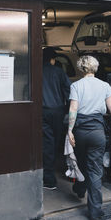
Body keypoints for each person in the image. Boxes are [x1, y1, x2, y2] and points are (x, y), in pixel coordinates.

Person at [67, 55, 111, 220]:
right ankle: (95, 211)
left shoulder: (76, 85)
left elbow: (73, 109)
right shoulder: (104, 85)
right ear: (95, 68)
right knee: (95, 171)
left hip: (80, 131)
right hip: (97, 132)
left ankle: (79, 189)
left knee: (81, 162)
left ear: (81, 69)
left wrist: (70, 130)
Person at [42, 47, 71, 190]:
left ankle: (48, 179)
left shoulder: (36, 72)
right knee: (55, 143)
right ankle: (50, 177)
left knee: (47, 144)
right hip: (58, 112)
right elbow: (69, 92)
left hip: (42, 112)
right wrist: (67, 110)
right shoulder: (59, 72)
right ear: (52, 59)